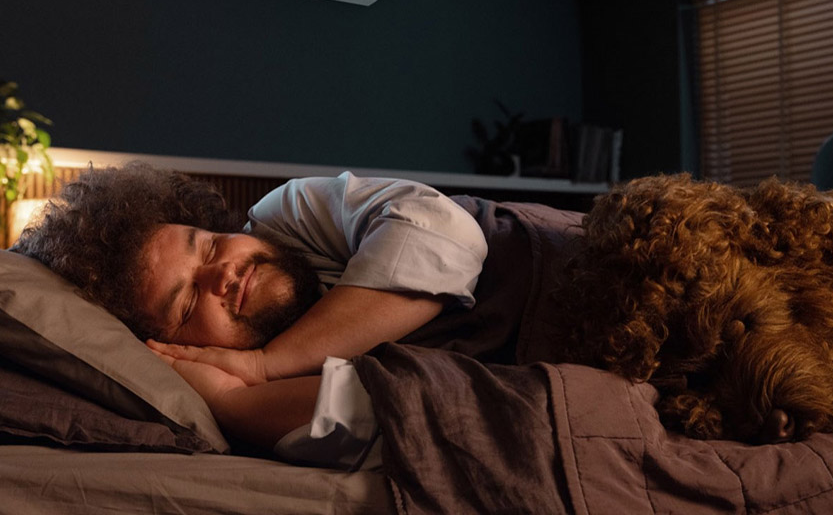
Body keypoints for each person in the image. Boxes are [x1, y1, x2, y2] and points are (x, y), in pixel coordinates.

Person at [13, 162, 490, 465]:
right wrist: (231, 399)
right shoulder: (232, 394)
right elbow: (397, 413)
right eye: (188, 302)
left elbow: (446, 231)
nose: (223, 274)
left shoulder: (285, 216)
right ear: (179, 349)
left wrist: (269, 364)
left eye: (209, 246)